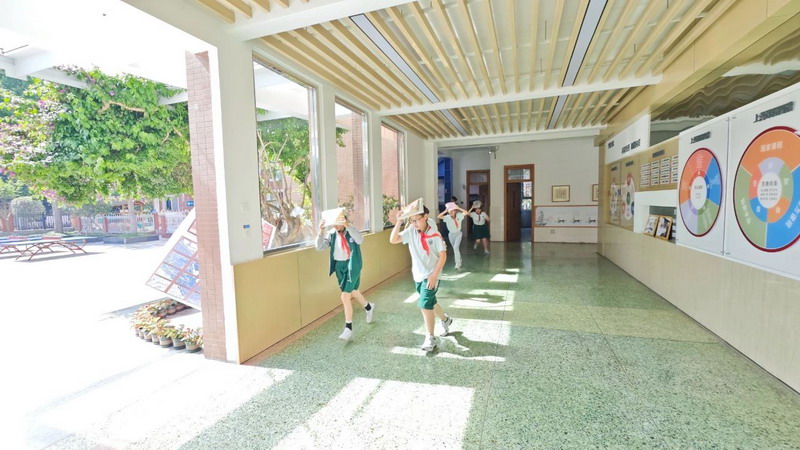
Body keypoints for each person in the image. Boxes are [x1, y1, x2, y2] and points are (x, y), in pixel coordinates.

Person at [389, 204, 454, 352]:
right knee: (431, 302)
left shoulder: (434, 234)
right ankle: (445, 320)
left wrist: (434, 276)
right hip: (418, 275)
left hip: (431, 275)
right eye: (411, 221)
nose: (414, 223)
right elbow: (393, 239)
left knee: (424, 305)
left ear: (425, 217)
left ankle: (430, 337)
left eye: (417, 220)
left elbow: (443, 255)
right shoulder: (411, 231)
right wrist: (399, 221)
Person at [316, 214, 374, 341]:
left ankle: (348, 328)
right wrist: (321, 230)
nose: (336, 226)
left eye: (338, 223)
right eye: (334, 223)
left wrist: (348, 225)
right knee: (353, 291)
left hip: (352, 265)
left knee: (344, 296)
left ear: (344, 220)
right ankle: (369, 307)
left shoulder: (351, 230)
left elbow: (360, 240)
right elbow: (320, 247)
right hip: (339, 266)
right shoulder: (331, 234)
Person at [437, 202, 468, 270]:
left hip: (458, 234)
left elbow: (466, 212)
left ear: (455, 211)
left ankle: (457, 264)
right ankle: (459, 260)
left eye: (452, 210)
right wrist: (445, 211)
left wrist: (458, 208)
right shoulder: (447, 217)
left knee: (456, 248)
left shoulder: (459, 215)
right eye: (450, 211)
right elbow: (439, 216)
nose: (451, 212)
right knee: (455, 249)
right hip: (451, 234)